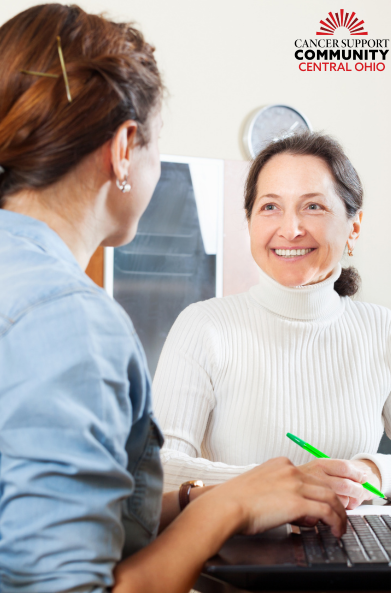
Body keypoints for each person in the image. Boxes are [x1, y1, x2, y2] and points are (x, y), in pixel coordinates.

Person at [0, 4, 347, 593]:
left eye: (314, 206)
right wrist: (225, 511)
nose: (293, 228)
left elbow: (61, 519)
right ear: (124, 148)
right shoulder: (69, 320)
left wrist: (204, 498)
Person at [153, 132, 391, 508]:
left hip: (351, 556)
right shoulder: (203, 326)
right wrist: (285, 484)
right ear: (250, 220)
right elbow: (156, 470)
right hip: (236, 557)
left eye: (313, 207)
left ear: (354, 226)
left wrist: (374, 472)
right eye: (270, 207)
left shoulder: (384, 330)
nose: (291, 229)